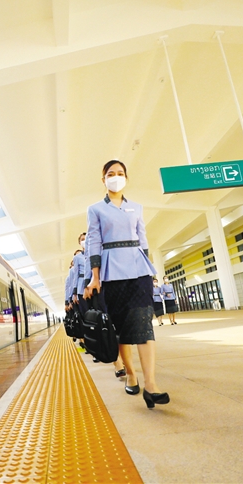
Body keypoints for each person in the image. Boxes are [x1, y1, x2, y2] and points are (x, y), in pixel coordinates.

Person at [84, 159, 169, 409]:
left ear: (126, 178)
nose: (116, 177)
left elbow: (143, 240)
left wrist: (149, 267)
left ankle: (151, 385)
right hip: (112, 273)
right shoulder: (95, 209)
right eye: (111, 173)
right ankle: (131, 374)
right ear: (103, 179)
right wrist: (95, 277)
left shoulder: (137, 208)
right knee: (120, 328)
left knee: (144, 323)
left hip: (139, 271)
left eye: (120, 173)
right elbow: (94, 242)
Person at [77, 232, 125, 377]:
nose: (85, 240)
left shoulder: (104, 245)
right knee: (105, 324)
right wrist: (86, 287)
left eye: (86, 238)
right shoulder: (84, 254)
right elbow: (87, 268)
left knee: (118, 324)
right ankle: (117, 363)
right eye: (82, 239)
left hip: (111, 284)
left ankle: (121, 359)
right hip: (96, 288)